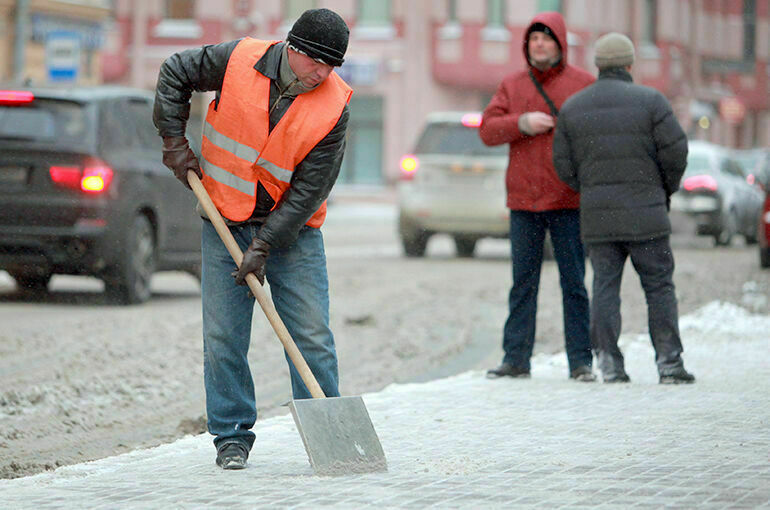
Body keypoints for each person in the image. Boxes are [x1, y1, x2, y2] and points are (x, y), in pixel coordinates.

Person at [152, 8, 352, 469]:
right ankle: (231, 438)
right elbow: (175, 71)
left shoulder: (335, 105)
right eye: (316, 62)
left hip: (294, 233)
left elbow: (308, 191)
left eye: (331, 66)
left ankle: (330, 436)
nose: (322, 74)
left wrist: (265, 246)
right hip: (224, 218)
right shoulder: (238, 58)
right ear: (292, 48)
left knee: (311, 336)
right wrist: (173, 141)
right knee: (223, 336)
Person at [552, 32, 695, 384]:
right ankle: (670, 364)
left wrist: (591, 189)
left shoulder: (574, 108)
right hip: (647, 214)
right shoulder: (652, 102)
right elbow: (676, 154)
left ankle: (610, 364)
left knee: (604, 288)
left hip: (599, 218)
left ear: (598, 65)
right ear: (630, 63)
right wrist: (662, 190)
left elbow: (563, 166)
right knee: (659, 287)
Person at [480, 12, 596, 382]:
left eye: (546, 38)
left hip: (568, 201)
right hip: (525, 202)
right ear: (526, 46)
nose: (539, 45)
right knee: (522, 284)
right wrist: (521, 123)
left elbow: (597, 136)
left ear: (560, 44)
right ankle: (516, 359)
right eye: (533, 39)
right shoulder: (512, 85)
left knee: (574, 284)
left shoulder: (583, 85)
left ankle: (581, 362)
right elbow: (487, 130)